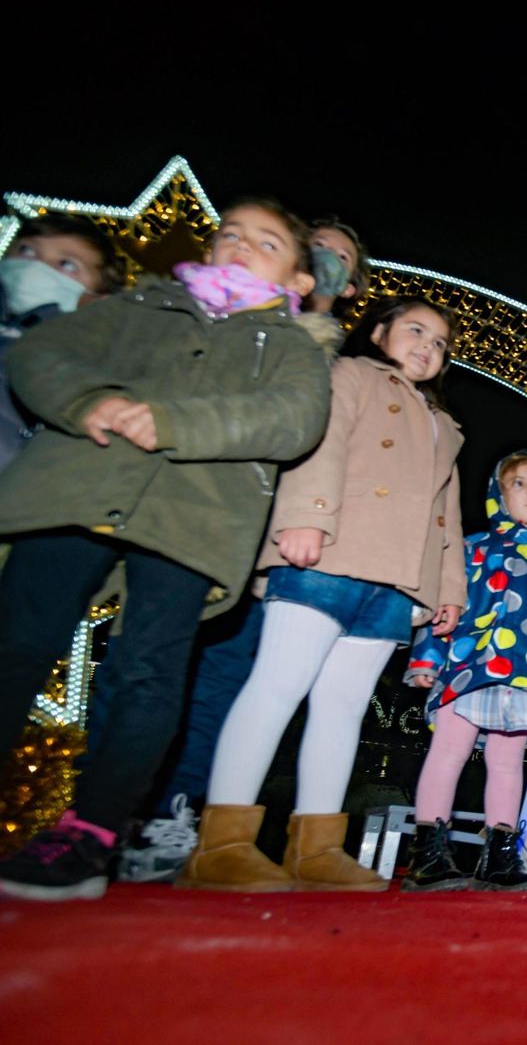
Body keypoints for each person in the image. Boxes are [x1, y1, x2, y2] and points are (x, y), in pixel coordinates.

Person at [0, 199, 330, 900]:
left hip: (194, 515)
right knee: (16, 643)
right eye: (231, 234)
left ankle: (89, 834)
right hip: (76, 486)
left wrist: (172, 421)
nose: (241, 246)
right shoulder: (137, 305)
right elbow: (41, 353)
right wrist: (86, 401)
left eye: (266, 243)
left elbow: (293, 418)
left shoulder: (293, 346)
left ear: (298, 279)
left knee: (147, 669)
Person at [178, 297, 465, 894]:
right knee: (278, 685)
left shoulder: (446, 427)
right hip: (327, 554)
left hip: (394, 579)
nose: (427, 347)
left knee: (344, 709)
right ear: (380, 332)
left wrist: (447, 586)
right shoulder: (350, 374)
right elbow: (322, 445)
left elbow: (447, 516)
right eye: (415, 331)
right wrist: (307, 516)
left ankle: (316, 850)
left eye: (439, 343)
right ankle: (223, 842)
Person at [115, 217, 372, 884]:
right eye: (318, 247)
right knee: (177, 666)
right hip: (215, 517)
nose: (329, 261)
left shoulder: (344, 362)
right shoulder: (238, 321)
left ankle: (195, 821)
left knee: (246, 682)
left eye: (343, 258)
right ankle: (124, 815)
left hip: (291, 548)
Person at [402, 451, 527, 892]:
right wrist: (427, 658)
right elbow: (444, 605)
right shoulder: (472, 548)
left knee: (508, 761)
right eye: (519, 483)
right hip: (469, 667)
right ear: (499, 494)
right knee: (450, 750)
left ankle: (499, 858)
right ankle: (429, 853)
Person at [0, 214, 122, 472]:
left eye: (67, 265)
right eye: (27, 249)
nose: (36, 266)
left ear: (97, 299)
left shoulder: (86, 363)